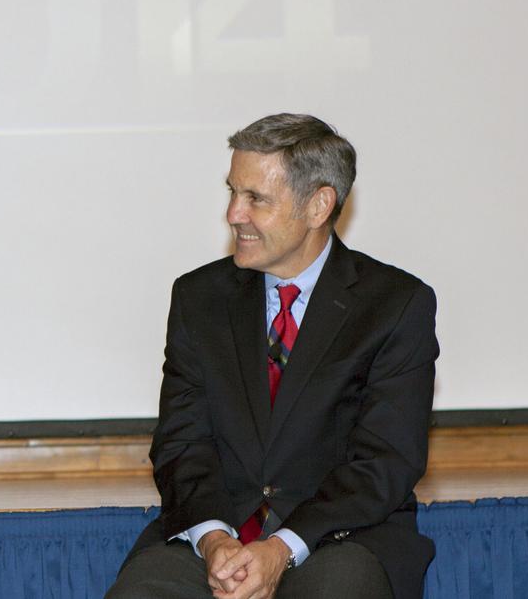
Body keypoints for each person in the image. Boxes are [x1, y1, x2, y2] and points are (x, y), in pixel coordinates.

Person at [106, 114, 437, 599]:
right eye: (232, 192)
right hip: (212, 538)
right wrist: (216, 539)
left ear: (319, 205)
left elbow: (386, 461)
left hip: (339, 540)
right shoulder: (199, 298)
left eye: (255, 199)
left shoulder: (394, 305)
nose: (233, 214)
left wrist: (282, 547)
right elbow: (181, 444)